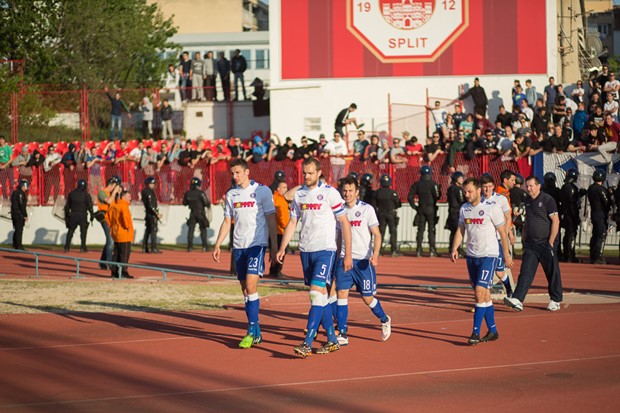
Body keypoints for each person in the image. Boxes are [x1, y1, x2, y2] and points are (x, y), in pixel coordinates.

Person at [276, 157, 353, 357]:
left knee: (314, 294)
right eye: (305, 173)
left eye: (311, 172)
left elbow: (344, 223)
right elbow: (292, 222)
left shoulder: (330, 194)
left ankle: (307, 342)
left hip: (325, 250)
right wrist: (282, 247)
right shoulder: (300, 195)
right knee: (321, 297)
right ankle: (332, 340)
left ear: (319, 172)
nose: (307, 176)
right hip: (306, 250)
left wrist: (348, 254)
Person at [212, 159, 277, 348]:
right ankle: (256, 331)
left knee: (251, 286)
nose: (234, 176)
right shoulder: (231, 194)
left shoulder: (263, 191)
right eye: (232, 173)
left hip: (257, 245)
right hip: (238, 246)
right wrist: (218, 244)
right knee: (245, 291)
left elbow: (271, 219)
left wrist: (274, 246)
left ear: (247, 172)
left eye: (238, 172)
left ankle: (250, 330)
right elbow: (226, 222)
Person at [450, 178, 513, 345]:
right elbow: (461, 230)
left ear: (478, 191)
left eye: (470, 191)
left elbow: (502, 233)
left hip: (489, 255)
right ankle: (492, 330)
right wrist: (455, 248)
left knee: (479, 291)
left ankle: (475, 333)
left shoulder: (491, 209)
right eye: (465, 192)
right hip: (472, 257)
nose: (467, 194)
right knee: (483, 295)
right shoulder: (464, 209)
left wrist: (506, 255)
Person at [334, 177, 391, 346]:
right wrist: (337, 256)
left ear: (357, 192)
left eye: (351, 190)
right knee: (341, 294)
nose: (347, 194)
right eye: (345, 190)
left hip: (363, 262)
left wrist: (376, 254)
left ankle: (384, 318)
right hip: (344, 260)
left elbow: (377, 234)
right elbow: (338, 235)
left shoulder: (367, 210)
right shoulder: (338, 211)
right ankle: (343, 332)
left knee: (367, 298)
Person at [504, 176, 563, 312]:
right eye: (527, 186)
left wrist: (551, 241)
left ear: (538, 186)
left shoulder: (548, 200)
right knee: (526, 272)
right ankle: (518, 299)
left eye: (531, 186)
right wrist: (524, 238)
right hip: (531, 244)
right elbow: (528, 221)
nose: (528, 189)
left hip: (546, 243)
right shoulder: (528, 201)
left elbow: (556, 221)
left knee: (552, 272)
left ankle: (555, 299)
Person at [480, 173, 515, 297]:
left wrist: (507, 232)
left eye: (490, 186)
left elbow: (508, 217)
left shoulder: (501, 199)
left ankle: (510, 291)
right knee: (485, 272)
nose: (487, 189)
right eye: (485, 187)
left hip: (499, 240)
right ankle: (483, 300)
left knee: (500, 273)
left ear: (493, 186)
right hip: (484, 243)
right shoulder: (478, 200)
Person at [408, 166, 441, 257]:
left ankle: (418, 250)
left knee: (420, 230)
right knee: (431, 229)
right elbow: (437, 196)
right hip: (431, 208)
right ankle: (432, 250)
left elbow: (410, 197)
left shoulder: (417, 184)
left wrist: (415, 207)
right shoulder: (433, 184)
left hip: (421, 208)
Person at [560, 169, 586, 263]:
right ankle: (570, 255)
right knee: (571, 234)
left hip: (566, 213)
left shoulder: (565, 187)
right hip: (570, 214)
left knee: (568, 234)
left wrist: (579, 194)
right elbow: (572, 203)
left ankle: (567, 253)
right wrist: (575, 217)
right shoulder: (570, 188)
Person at [96, 176, 122, 270]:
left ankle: (102, 262)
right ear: (113, 185)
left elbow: (118, 204)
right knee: (110, 240)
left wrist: (118, 194)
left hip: (111, 219)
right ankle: (109, 263)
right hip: (105, 219)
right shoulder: (102, 192)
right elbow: (109, 201)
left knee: (109, 240)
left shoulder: (112, 194)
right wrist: (114, 192)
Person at [108, 190, 134, 279]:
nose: (130, 198)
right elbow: (125, 217)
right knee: (124, 254)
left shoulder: (115, 205)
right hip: (124, 234)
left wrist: (112, 226)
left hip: (116, 233)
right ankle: (123, 271)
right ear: (123, 197)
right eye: (128, 196)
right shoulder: (124, 206)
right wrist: (127, 226)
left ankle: (114, 271)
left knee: (116, 253)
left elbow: (108, 217)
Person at [587, 169, 610, 265]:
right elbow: (606, 201)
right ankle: (597, 256)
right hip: (600, 213)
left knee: (595, 234)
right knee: (600, 234)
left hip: (594, 212)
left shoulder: (590, 188)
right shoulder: (600, 189)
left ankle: (593, 254)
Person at [64, 179, 94, 253]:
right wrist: (92, 215)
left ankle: (67, 247)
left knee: (70, 230)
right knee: (83, 231)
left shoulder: (71, 193)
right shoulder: (86, 195)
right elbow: (90, 206)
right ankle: (82, 247)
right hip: (82, 215)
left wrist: (67, 216)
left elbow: (67, 206)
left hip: (73, 214)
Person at [375, 174, 401, 256]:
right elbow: (398, 204)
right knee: (393, 231)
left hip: (381, 214)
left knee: (380, 233)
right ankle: (393, 250)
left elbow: (374, 204)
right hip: (391, 214)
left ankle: (378, 250)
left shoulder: (377, 193)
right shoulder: (393, 193)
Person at [183, 177, 211, 252]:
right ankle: (204, 246)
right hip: (200, 213)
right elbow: (206, 203)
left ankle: (189, 246)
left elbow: (184, 203)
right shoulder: (201, 193)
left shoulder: (187, 193)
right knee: (203, 229)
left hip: (192, 213)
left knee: (191, 230)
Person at [269, 180, 290, 278]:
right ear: (278, 189)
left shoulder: (281, 199)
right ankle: (277, 271)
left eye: (286, 187)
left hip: (280, 229)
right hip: (279, 230)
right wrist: (285, 225)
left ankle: (274, 270)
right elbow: (279, 214)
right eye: (284, 187)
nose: (286, 189)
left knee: (277, 251)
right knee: (280, 251)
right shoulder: (277, 199)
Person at [446, 171, 466, 258]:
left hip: (451, 212)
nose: (462, 179)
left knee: (453, 232)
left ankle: (452, 248)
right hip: (457, 212)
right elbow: (462, 200)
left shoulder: (450, 188)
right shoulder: (458, 189)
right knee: (458, 231)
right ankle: (457, 249)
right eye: (460, 177)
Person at [141, 176, 162, 254]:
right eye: (151, 183)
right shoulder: (148, 191)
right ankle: (153, 248)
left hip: (149, 213)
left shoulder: (146, 191)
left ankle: (144, 247)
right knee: (153, 231)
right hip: (151, 214)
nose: (153, 185)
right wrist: (156, 214)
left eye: (153, 183)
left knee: (148, 230)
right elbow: (150, 204)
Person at [10, 180, 29, 250]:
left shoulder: (17, 193)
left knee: (17, 229)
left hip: (16, 213)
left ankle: (15, 244)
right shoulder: (19, 194)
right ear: (21, 186)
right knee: (19, 230)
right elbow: (21, 205)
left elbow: (22, 206)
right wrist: (23, 214)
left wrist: (25, 215)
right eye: (24, 186)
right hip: (18, 214)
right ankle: (18, 246)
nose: (25, 188)